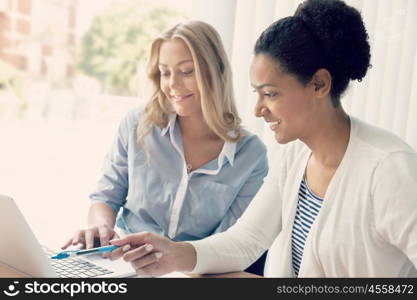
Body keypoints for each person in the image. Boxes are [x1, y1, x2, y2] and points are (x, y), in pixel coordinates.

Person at [107, 0, 417, 277]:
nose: (258, 110)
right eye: (257, 94)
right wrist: (173, 255)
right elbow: (247, 241)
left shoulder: (389, 169)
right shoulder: (296, 156)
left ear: (319, 84)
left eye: (270, 94)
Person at [62, 20, 269, 274]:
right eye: (165, 72)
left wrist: (175, 261)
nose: (173, 85)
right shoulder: (138, 124)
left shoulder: (251, 155)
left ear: (216, 72)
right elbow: (105, 197)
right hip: (126, 266)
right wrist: (101, 228)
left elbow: (230, 244)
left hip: (193, 274)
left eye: (186, 71)